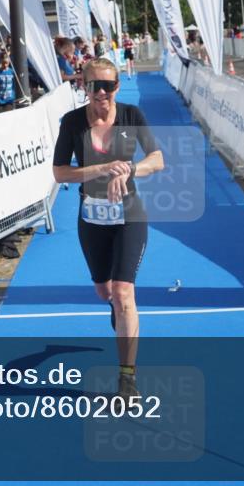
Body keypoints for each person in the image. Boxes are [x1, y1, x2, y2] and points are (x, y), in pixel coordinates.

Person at [52, 58, 164, 398]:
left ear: (117, 86)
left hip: (130, 215)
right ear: (84, 87)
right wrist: (99, 170)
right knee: (105, 293)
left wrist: (129, 169)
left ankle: (127, 378)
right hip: (92, 219)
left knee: (123, 293)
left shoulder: (131, 116)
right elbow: (60, 173)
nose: (102, 93)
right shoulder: (72, 123)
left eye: (109, 86)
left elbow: (157, 160)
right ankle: (117, 313)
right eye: (94, 86)